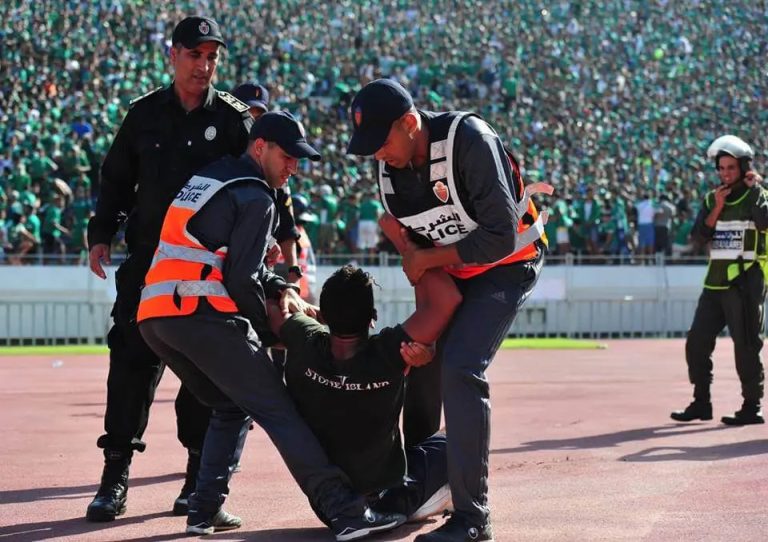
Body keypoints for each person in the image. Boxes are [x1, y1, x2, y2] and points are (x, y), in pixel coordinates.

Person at [137, 111, 405, 539]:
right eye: (288, 157)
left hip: (156, 317)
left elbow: (218, 258)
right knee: (280, 409)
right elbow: (240, 279)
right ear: (260, 147)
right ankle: (345, 510)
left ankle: (203, 510)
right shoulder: (257, 195)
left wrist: (280, 285)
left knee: (229, 405)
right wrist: (279, 330)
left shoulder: (211, 178)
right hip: (202, 313)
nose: (294, 167)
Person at [346, 78, 551, 542]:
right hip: (456, 273)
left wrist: (426, 259)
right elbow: (420, 263)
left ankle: (473, 517)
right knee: (423, 360)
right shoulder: (389, 173)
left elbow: (499, 236)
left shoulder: (469, 141)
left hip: (510, 263)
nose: (378, 155)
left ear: (410, 123)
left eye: (382, 142)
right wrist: (427, 331)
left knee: (461, 368)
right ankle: (421, 481)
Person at [84, 16, 253, 521]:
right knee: (131, 366)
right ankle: (113, 479)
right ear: (172, 55)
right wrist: (100, 235)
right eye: (194, 55)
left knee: (202, 373)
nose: (203, 66)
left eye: (211, 57)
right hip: (147, 267)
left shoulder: (232, 120)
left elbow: (257, 182)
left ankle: (195, 481)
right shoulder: (143, 116)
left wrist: (273, 240)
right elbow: (115, 181)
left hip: (206, 271)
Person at [268, 214, 462, 529]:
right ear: (372, 317)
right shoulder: (388, 352)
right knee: (458, 438)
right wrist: (410, 251)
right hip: (387, 494)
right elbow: (446, 301)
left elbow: (272, 309)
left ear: (323, 314)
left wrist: (290, 293)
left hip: (328, 502)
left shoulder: (304, 339)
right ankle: (428, 500)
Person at [671, 135, 767, 426]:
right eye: (721, 169)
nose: (725, 174)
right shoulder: (712, 198)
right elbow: (699, 237)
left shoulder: (757, 195)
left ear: (743, 168)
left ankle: (752, 406)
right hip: (714, 283)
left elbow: (764, 222)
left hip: (745, 282)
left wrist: (756, 188)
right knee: (696, 343)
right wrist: (717, 206)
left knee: (746, 346)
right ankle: (702, 402)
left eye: (731, 168)